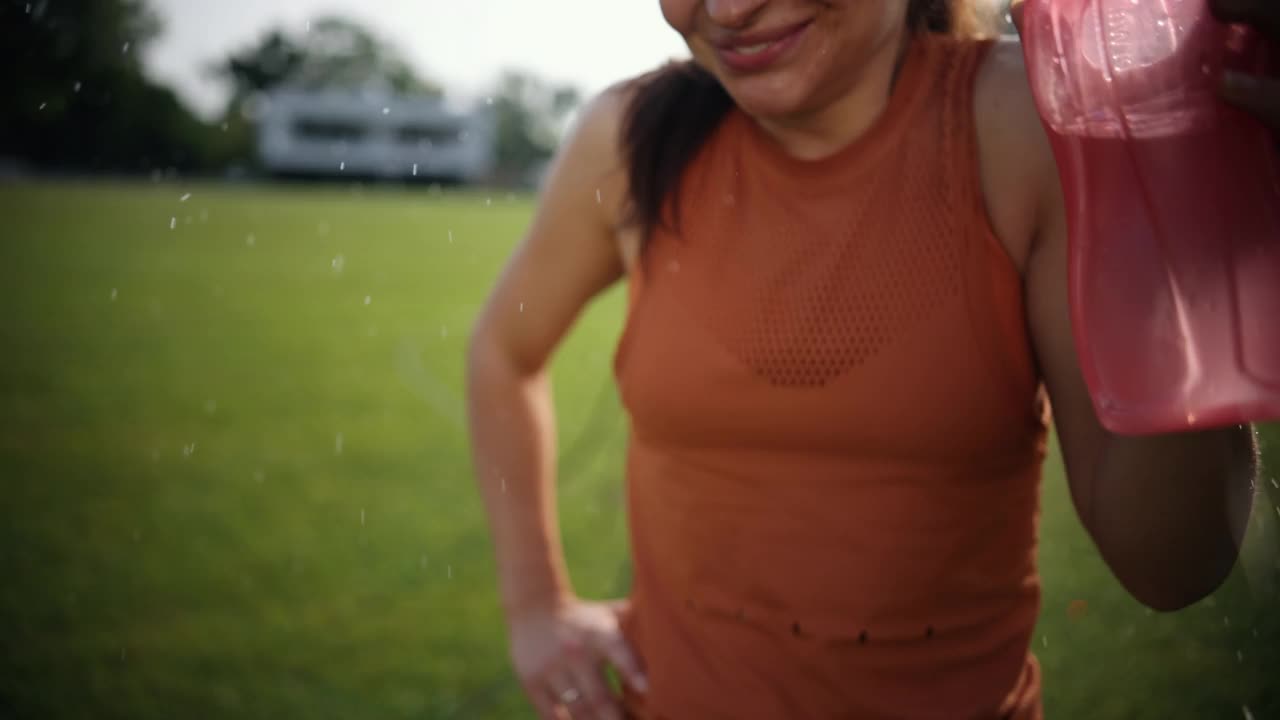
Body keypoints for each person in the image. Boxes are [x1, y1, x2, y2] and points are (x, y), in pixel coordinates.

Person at [466, 0, 1276, 717]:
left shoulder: (1023, 122)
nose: (730, 8)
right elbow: (503, 352)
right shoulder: (631, 139)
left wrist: (1192, 195)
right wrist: (534, 602)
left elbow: (1175, 562)